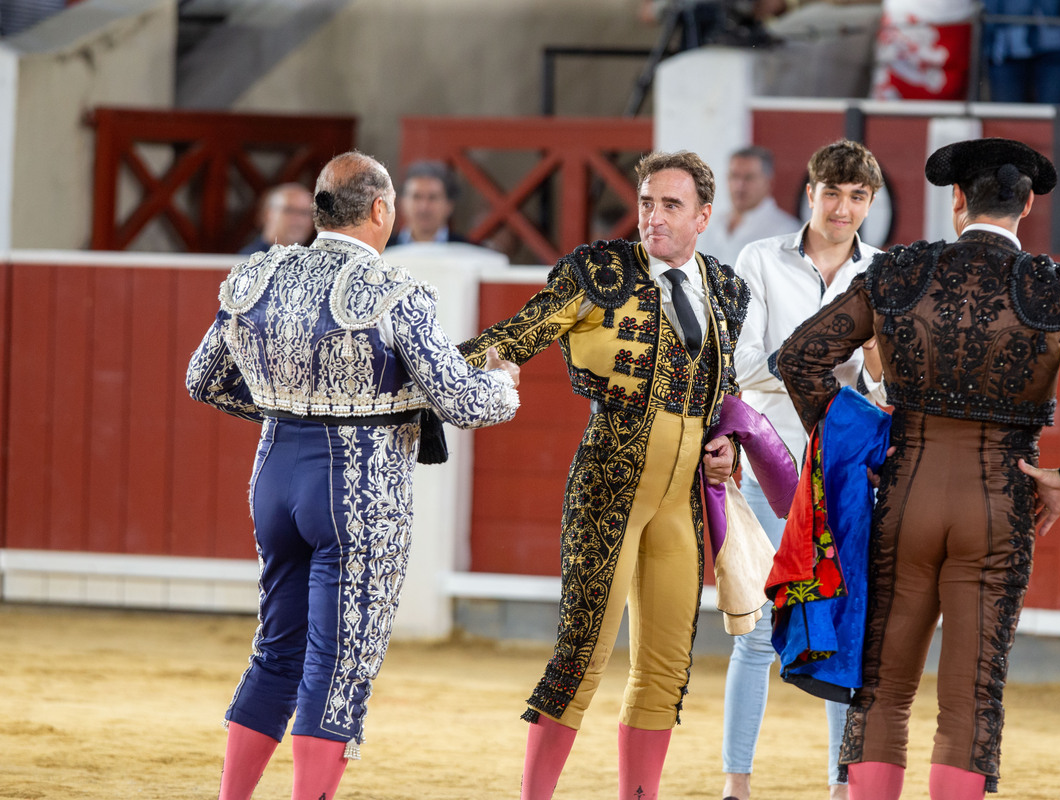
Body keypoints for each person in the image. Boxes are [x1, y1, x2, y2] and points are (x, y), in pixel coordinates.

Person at [776, 137, 1060, 799]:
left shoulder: (898, 274)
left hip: (905, 493)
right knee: (971, 700)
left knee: (881, 693)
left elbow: (800, 357)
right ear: (1027, 204)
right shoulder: (1053, 290)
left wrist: (856, 448)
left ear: (955, 202)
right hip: (1000, 505)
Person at [185, 151, 521, 800]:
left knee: (276, 648)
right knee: (338, 665)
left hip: (276, 475)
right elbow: (461, 402)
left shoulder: (258, 275)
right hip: (356, 490)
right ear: (380, 211)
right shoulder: (394, 292)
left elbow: (203, 380)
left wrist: (289, 405)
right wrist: (504, 386)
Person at [458, 150, 749, 800]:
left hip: (683, 506)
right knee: (582, 654)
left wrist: (731, 449)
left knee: (666, 668)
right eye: (647, 202)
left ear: (703, 216)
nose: (654, 217)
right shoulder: (601, 274)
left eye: (671, 205)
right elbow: (515, 336)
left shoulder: (726, 290)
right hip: (608, 489)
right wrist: (424, 370)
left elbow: (723, 396)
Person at [722, 138, 886, 800]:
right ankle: (737, 785)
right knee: (758, 636)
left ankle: (842, 789)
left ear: (870, 203)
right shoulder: (759, 258)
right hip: (772, 461)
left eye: (857, 197)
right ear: (810, 192)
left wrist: (859, 367)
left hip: (844, 477)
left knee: (845, 634)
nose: (842, 208)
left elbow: (885, 389)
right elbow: (744, 363)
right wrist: (835, 367)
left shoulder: (884, 273)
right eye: (832, 193)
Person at [697, 146, 800, 266]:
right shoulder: (710, 223)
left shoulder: (786, 232)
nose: (739, 186)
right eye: (734, 176)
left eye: (749, 178)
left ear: (768, 182)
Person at [388, 160, 470, 246]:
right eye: (417, 197)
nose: (424, 207)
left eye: (432, 198)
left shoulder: (468, 252)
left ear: (449, 205)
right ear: (402, 203)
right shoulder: (382, 252)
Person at [238, 183, 315, 255]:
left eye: (305, 213)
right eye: (290, 210)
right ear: (268, 214)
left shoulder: (314, 262)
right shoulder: (248, 262)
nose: (299, 219)